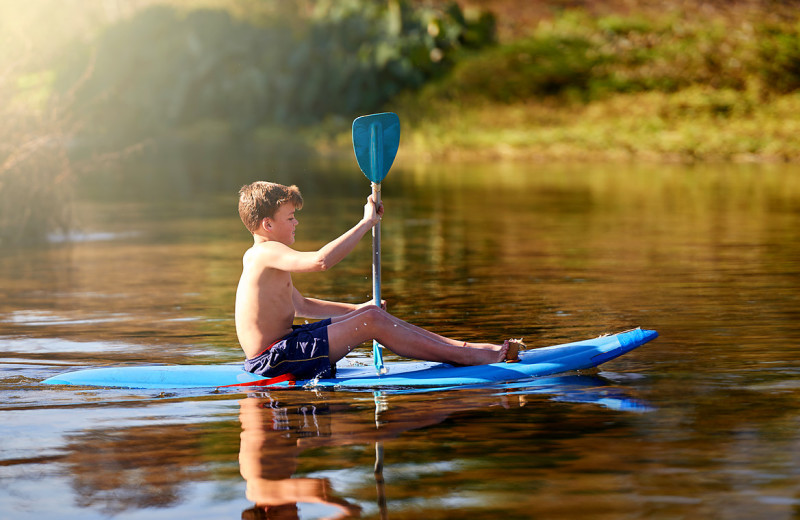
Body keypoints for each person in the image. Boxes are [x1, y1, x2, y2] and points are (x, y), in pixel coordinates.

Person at [235, 181, 521, 381]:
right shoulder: (266, 252)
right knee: (371, 322)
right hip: (273, 360)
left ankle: (465, 349)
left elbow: (301, 305)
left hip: (285, 347)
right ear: (268, 225)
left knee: (370, 315)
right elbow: (320, 261)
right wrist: (365, 223)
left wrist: (360, 307)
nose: (295, 222)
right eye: (290, 217)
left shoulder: (263, 257)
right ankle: (469, 357)